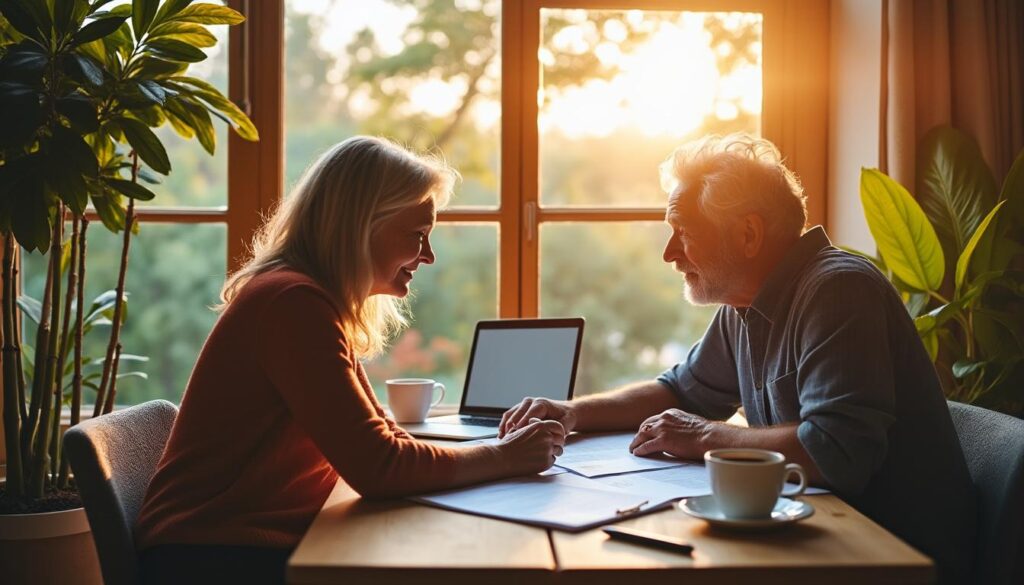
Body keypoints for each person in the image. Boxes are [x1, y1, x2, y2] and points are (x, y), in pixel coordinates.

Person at [499, 134, 975, 584]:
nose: (669, 254)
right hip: (820, 536)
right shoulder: (745, 302)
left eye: (682, 232)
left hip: (895, 556)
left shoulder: (838, 290)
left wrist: (703, 435)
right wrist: (574, 411)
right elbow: (681, 391)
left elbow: (836, 450)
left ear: (748, 234)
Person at [135, 136, 566, 585]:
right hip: (211, 558)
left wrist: (492, 454)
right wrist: (502, 456)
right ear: (362, 225)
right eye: (418, 235)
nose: (429, 256)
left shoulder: (308, 299)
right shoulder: (293, 304)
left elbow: (380, 439)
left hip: (235, 543)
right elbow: (380, 466)